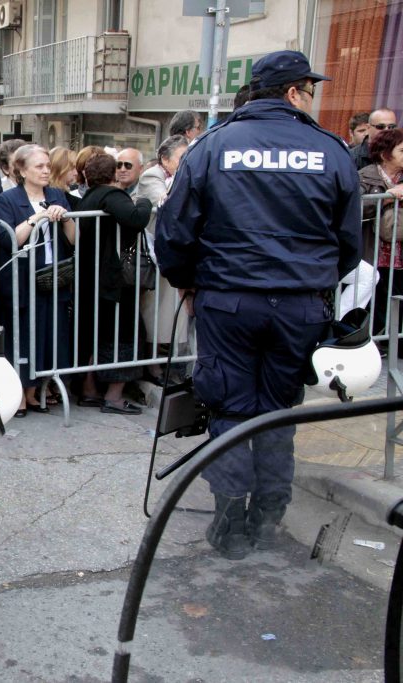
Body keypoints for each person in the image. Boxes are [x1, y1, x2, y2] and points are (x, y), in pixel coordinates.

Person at [155, 50, 362, 560]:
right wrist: (311, 282)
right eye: (308, 90)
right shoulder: (330, 150)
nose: (311, 98)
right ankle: (269, 514)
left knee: (229, 407)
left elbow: (175, 232)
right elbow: (349, 240)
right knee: (278, 408)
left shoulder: (211, 147)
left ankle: (230, 522)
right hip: (299, 305)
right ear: (293, 92)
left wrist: (188, 283)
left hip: (229, 302)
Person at [0, 144, 76, 414]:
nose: (45, 170)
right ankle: (18, 394)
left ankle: (34, 392)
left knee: (47, 336)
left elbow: (75, 240)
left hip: (53, 277)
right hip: (22, 280)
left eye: (46, 165)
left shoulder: (56, 194)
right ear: (21, 170)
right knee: (22, 336)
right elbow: (9, 239)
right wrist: (37, 217)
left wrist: (65, 218)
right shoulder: (8, 199)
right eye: (39, 166)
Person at [73, 154, 153, 416]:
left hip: (91, 279)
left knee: (95, 335)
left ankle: (89, 391)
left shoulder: (89, 196)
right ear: (114, 173)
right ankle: (114, 397)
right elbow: (136, 218)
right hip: (112, 281)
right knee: (126, 334)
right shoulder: (111, 195)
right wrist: (145, 201)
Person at [133, 134, 190, 383]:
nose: (186, 162)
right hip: (154, 254)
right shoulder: (152, 176)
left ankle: (166, 362)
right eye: (181, 157)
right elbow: (165, 202)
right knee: (155, 314)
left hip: (174, 252)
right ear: (165, 159)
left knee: (172, 316)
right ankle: (152, 364)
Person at [358, 127, 403, 335]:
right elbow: (354, 210)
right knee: (373, 296)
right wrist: (387, 197)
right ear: (386, 155)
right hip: (371, 249)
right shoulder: (365, 177)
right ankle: (366, 337)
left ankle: (391, 340)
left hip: (398, 252)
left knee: (395, 298)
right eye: (402, 150)